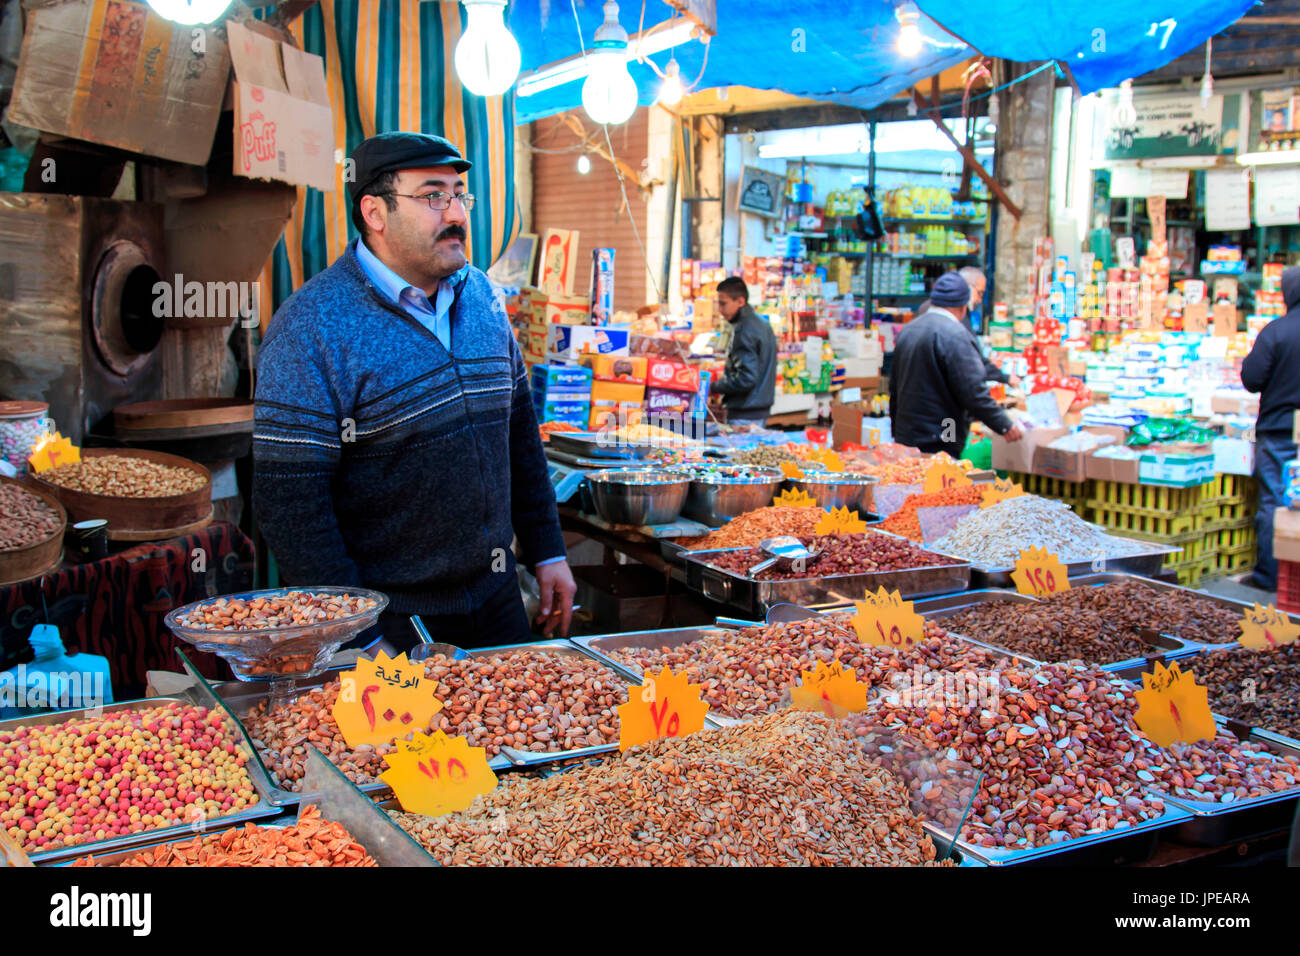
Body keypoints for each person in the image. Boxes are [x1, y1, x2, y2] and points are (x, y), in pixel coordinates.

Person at [253, 132, 577, 650]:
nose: (456, 213)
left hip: (496, 598)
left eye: (459, 194)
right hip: (389, 618)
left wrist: (548, 551)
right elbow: (290, 505)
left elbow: (518, 435)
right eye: (432, 196)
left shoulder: (485, 299)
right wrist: (353, 632)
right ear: (374, 212)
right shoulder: (311, 327)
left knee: (521, 729)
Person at [890, 271, 1024, 457]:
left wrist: (897, 431)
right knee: (941, 480)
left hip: (907, 433)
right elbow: (973, 391)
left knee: (911, 480)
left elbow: (894, 388)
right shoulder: (955, 335)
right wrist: (1004, 424)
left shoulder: (909, 330)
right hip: (943, 432)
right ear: (963, 306)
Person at [1240, 265, 1300, 591]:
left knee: (1276, 501)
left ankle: (1270, 576)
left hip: (1278, 432)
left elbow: (1251, 379)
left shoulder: (1276, 332)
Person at [917, 266, 1020, 388]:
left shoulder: (926, 311)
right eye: (980, 293)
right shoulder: (955, 315)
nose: (980, 300)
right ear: (967, 287)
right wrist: (1004, 378)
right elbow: (972, 362)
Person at [711, 276, 777, 425]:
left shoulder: (744, 330)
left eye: (723, 304)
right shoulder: (762, 324)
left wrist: (714, 387)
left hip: (745, 412)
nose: (720, 310)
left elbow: (746, 379)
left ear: (740, 301)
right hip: (758, 409)